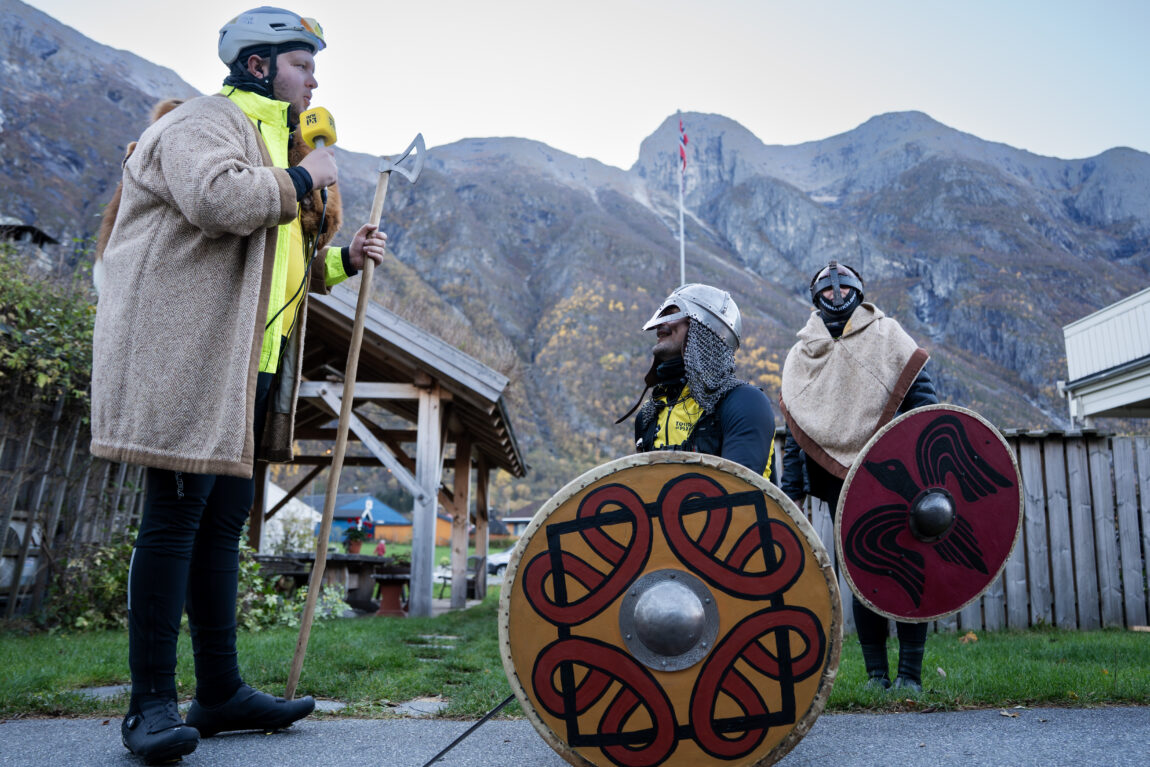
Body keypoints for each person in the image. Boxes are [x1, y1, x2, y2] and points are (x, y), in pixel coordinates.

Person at [90, 8, 387, 762]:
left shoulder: (267, 147)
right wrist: (300, 176)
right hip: (189, 358)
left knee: (223, 520)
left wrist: (343, 258)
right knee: (174, 518)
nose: (315, 77)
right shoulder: (205, 123)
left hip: (248, 367)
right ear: (258, 67)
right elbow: (218, 202)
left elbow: (280, 271)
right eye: (301, 63)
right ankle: (148, 704)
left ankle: (217, 691)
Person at [779, 261, 937, 693]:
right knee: (862, 574)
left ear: (857, 290)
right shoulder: (802, 353)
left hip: (900, 477)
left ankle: (909, 676)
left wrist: (926, 465)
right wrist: (789, 493)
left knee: (908, 570)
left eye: (842, 288)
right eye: (826, 292)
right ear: (815, 298)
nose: (835, 296)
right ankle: (874, 676)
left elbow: (922, 402)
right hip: (840, 485)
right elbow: (799, 426)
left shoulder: (888, 335)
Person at [622, 283, 775, 478]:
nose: (660, 323)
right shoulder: (649, 414)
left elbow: (739, 496)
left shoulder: (744, 402)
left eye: (674, 313)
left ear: (703, 328)